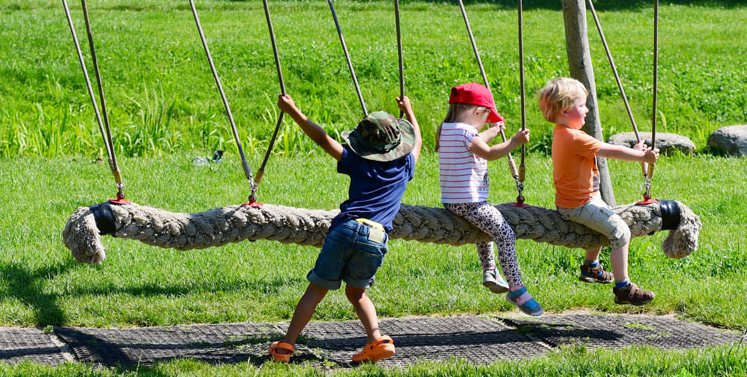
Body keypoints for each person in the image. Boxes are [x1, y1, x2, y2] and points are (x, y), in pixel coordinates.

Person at [268, 93, 422, 364]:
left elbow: (322, 139)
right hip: (376, 236)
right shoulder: (405, 164)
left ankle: (285, 346)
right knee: (357, 293)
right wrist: (409, 110)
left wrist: (292, 111)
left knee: (316, 290)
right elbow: (418, 140)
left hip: (347, 228)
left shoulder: (357, 160)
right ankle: (377, 339)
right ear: (399, 143)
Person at [538, 77, 660, 306]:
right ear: (566, 110)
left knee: (602, 225)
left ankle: (591, 267)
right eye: (582, 105)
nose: (587, 110)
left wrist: (635, 151)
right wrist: (643, 156)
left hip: (579, 200)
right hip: (580, 204)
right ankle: (624, 288)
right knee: (620, 232)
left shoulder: (562, 133)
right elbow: (610, 151)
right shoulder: (575, 137)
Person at [437, 82, 543, 316]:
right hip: (471, 202)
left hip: (452, 201)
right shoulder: (467, 133)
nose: (486, 122)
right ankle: (517, 288)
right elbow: (489, 152)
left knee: (485, 230)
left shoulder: (446, 129)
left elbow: (475, 142)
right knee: (505, 234)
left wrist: (493, 132)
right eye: (487, 118)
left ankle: (490, 270)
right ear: (477, 112)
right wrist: (514, 142)